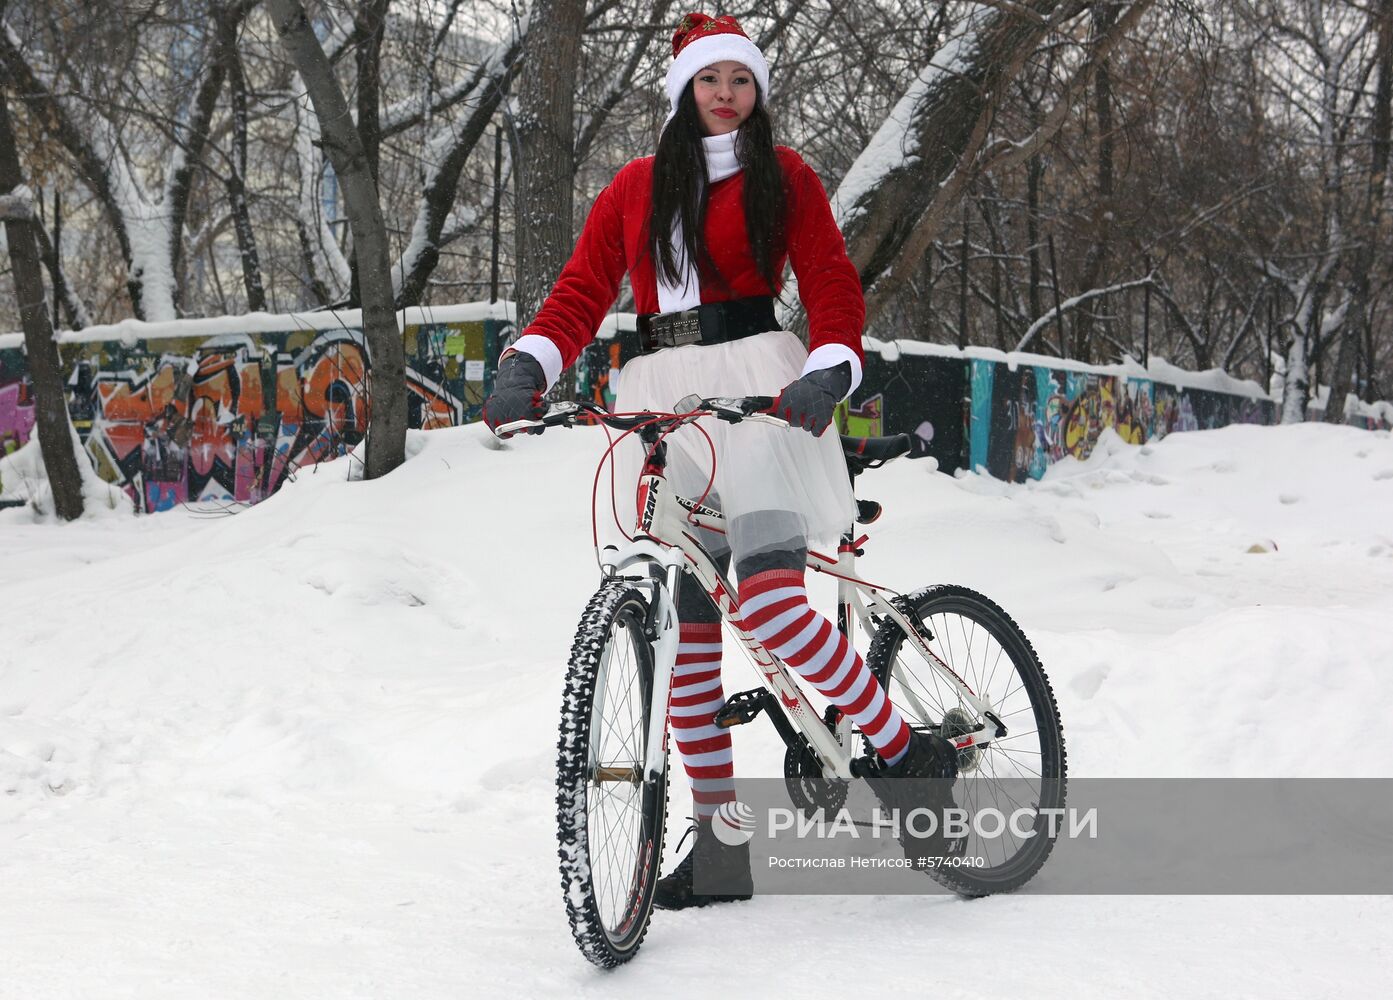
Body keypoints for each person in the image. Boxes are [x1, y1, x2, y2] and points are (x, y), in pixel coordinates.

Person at [483, 11, 959, 909]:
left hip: (760, 397)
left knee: (773, 603)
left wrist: (829, 366)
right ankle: (721, 847)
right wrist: (528, 363)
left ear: (755, 92)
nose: (726, 94)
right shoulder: (633, 188)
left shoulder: (784, 175)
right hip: (664, 402)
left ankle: (904, 751)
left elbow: (826, 279)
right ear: (683, 91)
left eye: (740, 80)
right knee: (691, 637)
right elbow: (583, 289)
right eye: (711, 80)